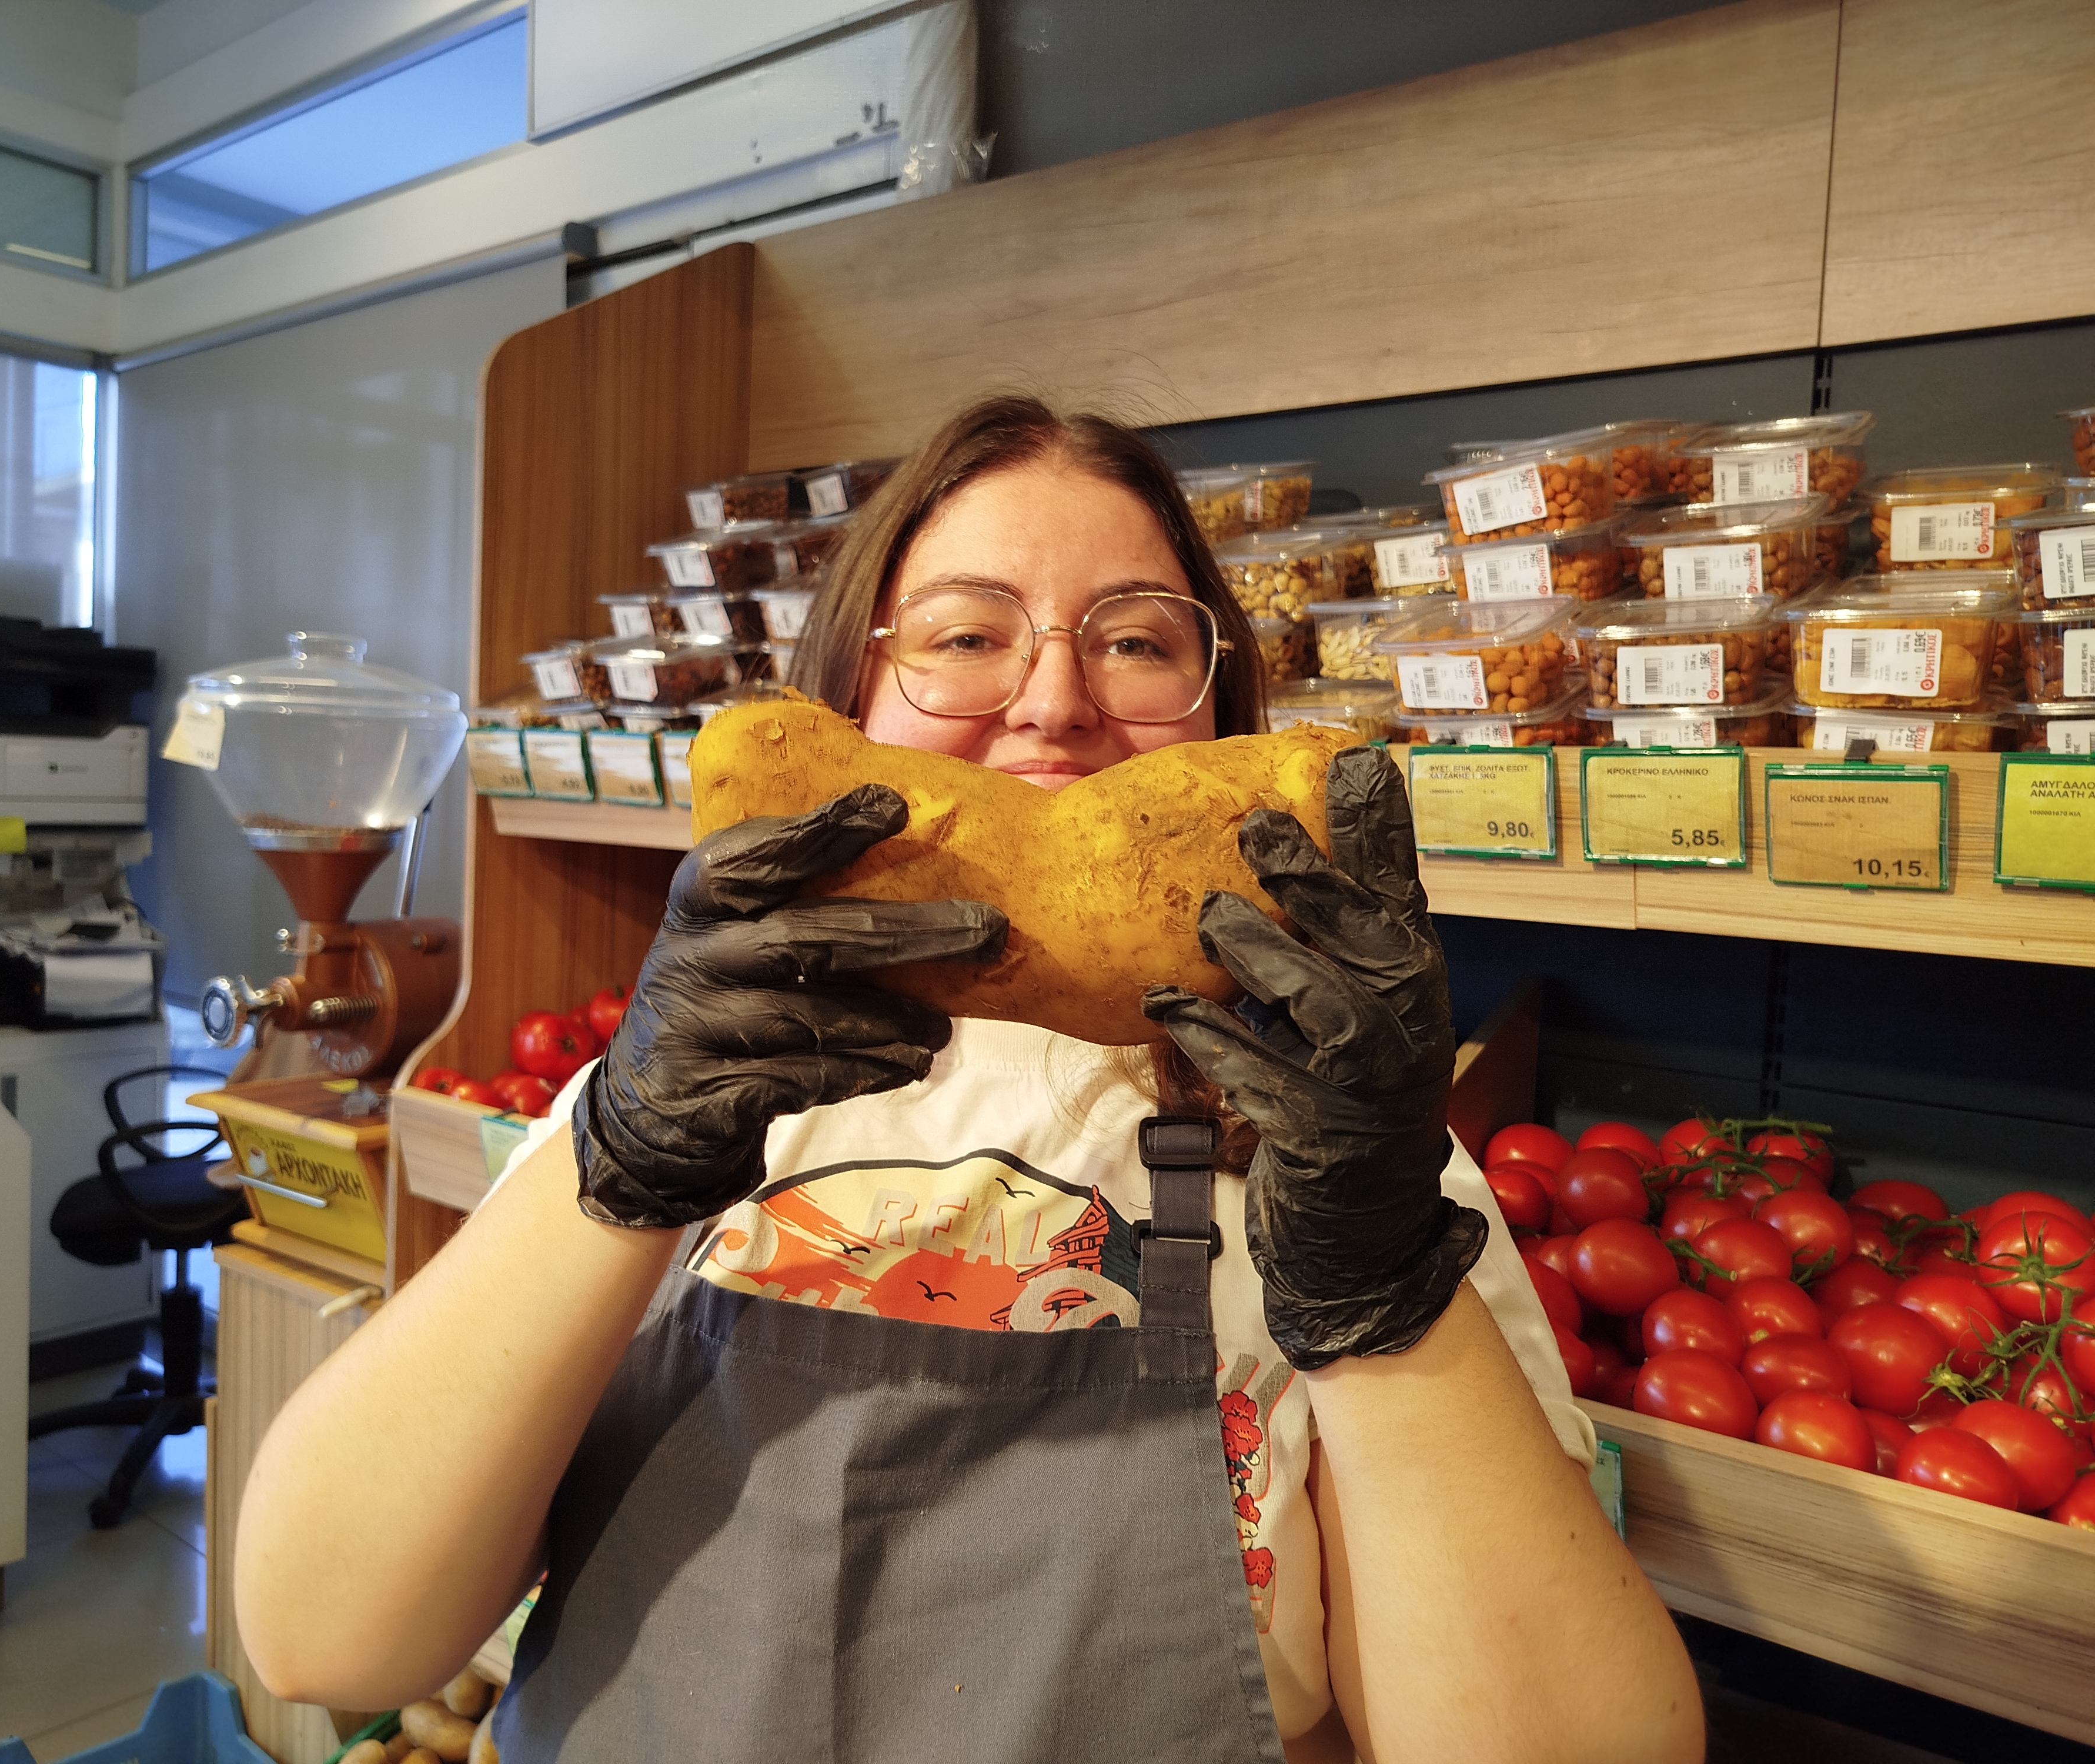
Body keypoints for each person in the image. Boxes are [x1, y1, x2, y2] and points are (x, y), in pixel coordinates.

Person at [236, 396, 1704, 1763]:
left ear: (1219, 717)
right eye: (963, 636)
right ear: (848, 699)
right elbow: (325, 1636)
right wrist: (615, 1160)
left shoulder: (1341, 1150)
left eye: (1134, 642)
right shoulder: (691, 1085)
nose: (1053, 704)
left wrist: (1378, 1292)